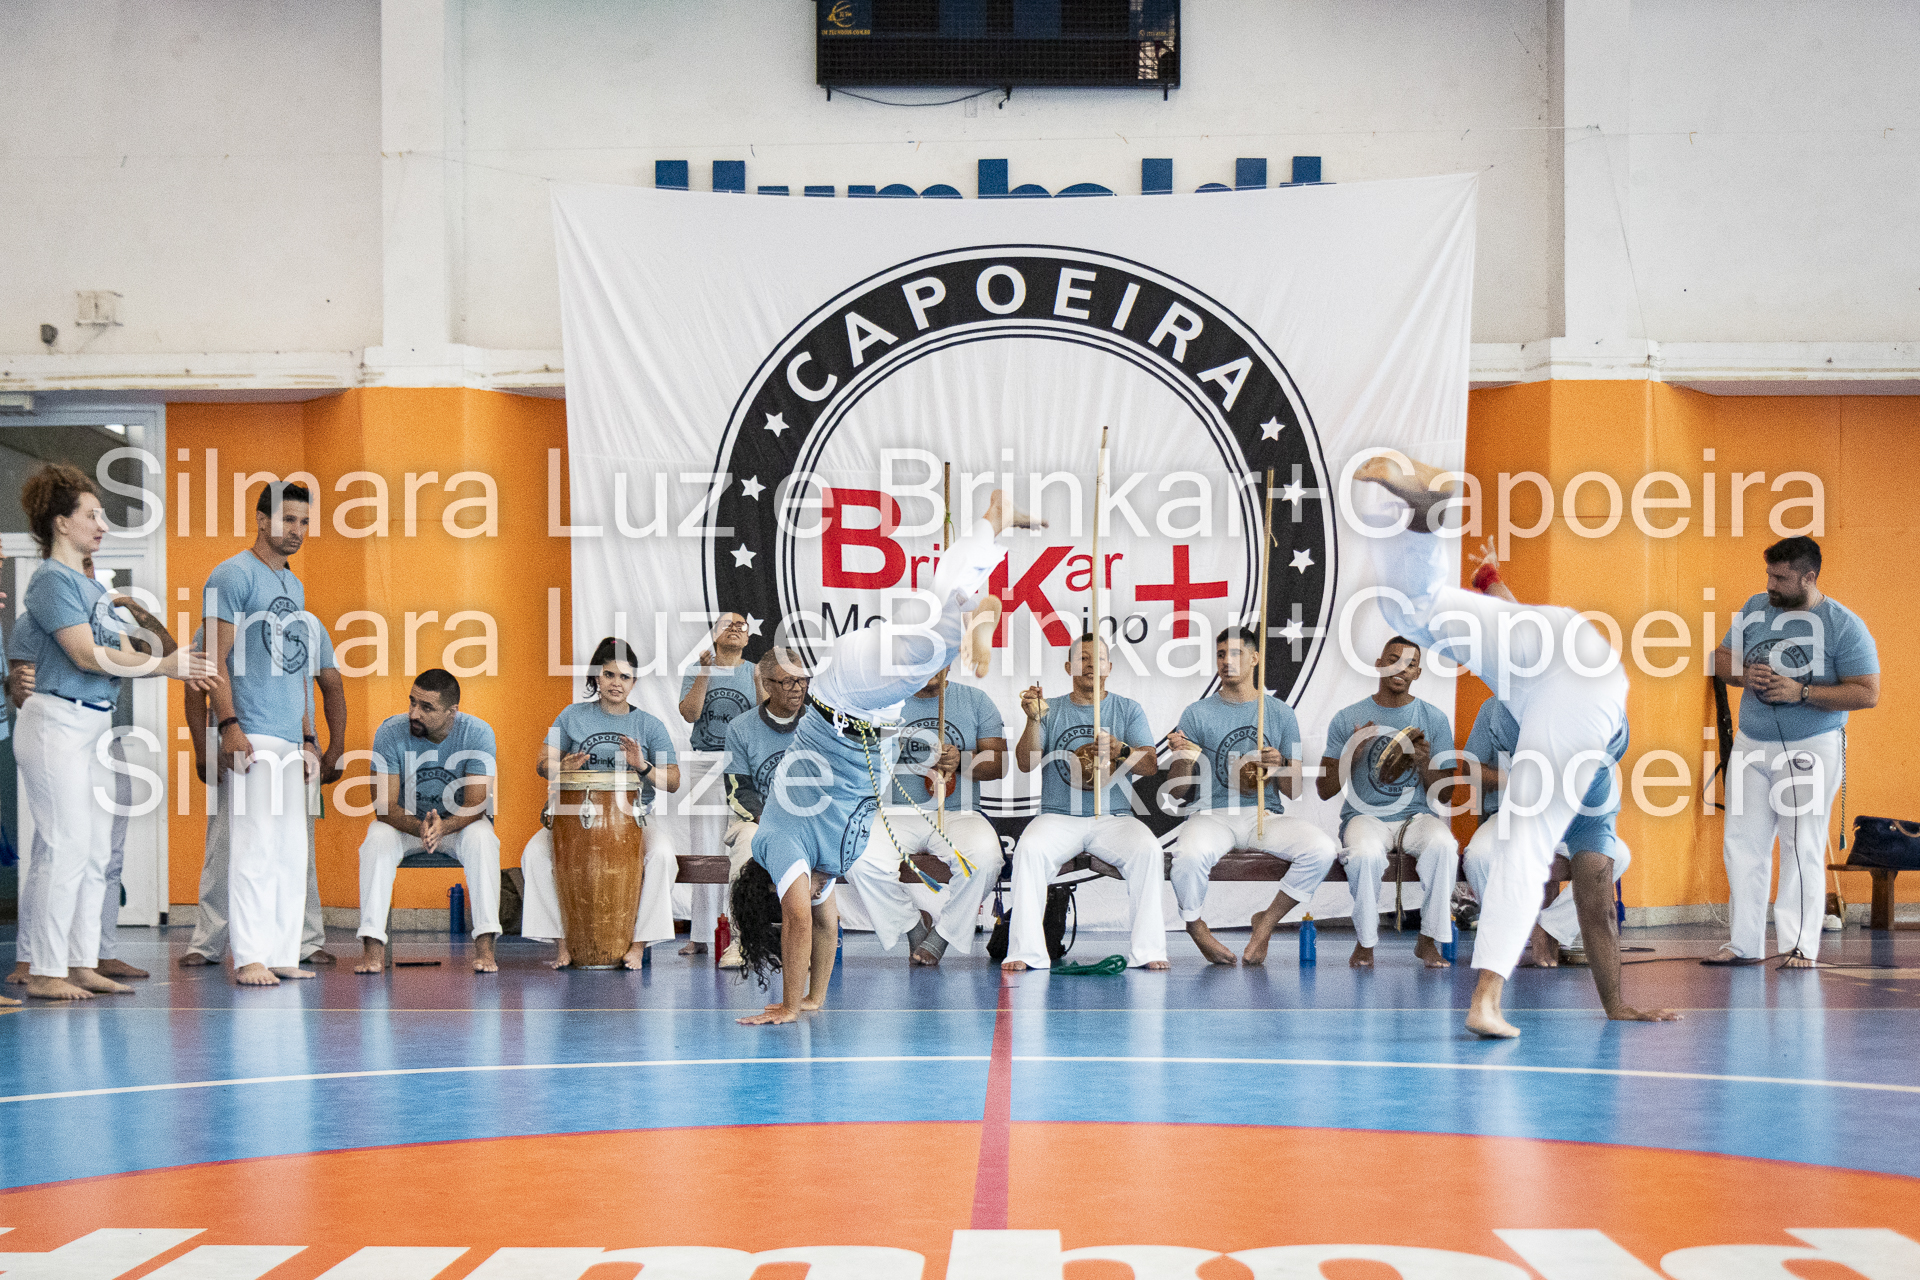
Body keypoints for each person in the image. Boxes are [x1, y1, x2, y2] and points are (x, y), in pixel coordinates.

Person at [732, 489, 1036, 1024]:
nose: (807, 898)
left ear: (772, 889)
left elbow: (799, 921)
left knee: (934, 645)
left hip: (846, 701)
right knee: (939, 603)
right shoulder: (817, 866)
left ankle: (973, 615)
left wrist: (786, 1005)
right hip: (872, 713)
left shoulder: (775, 844)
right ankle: (993, 522)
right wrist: (813, 998)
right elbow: (824, 925)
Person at [1355, 451, 1632, 1038]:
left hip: (1558, 644)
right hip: (1574, 661)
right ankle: (1485, 1002)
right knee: (1527, 842)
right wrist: (1616, 1007)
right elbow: (1598, 910)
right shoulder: (1586, 767)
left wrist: (1489, 584)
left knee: (1415, 611)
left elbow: (1599, 905)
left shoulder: (1588, 783)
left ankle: (1427, 518)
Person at [17, 464, 211, 999]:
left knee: (95, 849)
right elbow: (84, 654)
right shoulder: (51, 581)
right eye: (92, 515)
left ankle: (80, 962)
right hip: (56, 721)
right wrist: (165, 665)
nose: (102, 524)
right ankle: (45, 970)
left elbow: (122, 652)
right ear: (61, 523)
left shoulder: (90, 586)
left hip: (93, 723)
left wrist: (170, 662)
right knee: (65, 845)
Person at [1711, 536, 1879, 968]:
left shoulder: (1842, 624)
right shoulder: (1755, 608)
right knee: (1741, 844)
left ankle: (1799, 945)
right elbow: (1720, 658)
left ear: (1809, 577)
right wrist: (1743, 674)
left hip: (1811, 746)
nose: (1770, 584)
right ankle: (1743, 944)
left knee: (1800, 843)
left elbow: (1867, 693)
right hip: (1751, 743)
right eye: (1768, 574)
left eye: (1780, 578)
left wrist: (1801, 692)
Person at [1458, 693, 1673, 1024]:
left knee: (1618, 855)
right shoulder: (1499, 707)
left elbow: (1601, 912)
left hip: (1571, 822)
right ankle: (1509, 939)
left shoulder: (1597, 735)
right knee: (1477, 857)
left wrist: (1616, 1006)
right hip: (1513, 817)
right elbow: (1470, 769)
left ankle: (1549, 927)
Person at [6, 556, 164, 988]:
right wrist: (14, 687)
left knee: (101, 853)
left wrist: (140, 614)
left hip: (102, 731)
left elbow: (162, 656)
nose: (88, 572)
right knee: (55, 850)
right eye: (83, 564)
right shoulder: (37, 615)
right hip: (59, 729)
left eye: (93, 566)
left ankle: (90, 957)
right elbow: (20, 681)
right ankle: (34, 960)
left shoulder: (107, 618)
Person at [203, 482, 331, 987]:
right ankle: (250, 956)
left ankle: (280, 952)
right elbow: (212, 659)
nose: (297, 531)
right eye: (287, 520)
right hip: (250, 731)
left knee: (289, 852)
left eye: (304, 522)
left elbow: (298, 669)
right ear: (261, 520)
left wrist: (309, 736)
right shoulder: (231, 575)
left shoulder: (293, 585)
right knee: (254, 847)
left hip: (290, 737)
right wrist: (228, 725)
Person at [1165, 626, 1337, 966]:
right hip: (1212, 814)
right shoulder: (1196, 713)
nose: (1226, 661)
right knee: (1187, 856)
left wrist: (1282, 764)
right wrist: (1183, 756)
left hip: (1265, 815)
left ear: (1255, 658)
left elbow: (1294, 790)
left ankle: (1266, 922)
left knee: (1322, 849)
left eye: (1236, 653)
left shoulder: (1281, 713)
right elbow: (1178, 790)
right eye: (1220, 654)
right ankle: (1196, 926)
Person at [178, 623, 342, 970]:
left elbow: (332, 686)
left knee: (297, 849)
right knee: (224, 844)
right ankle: (208, 941)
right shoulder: (220, 622)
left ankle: (304, 941)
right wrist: (202, 749)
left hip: (297, 744)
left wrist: (333, 747)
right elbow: (195, 690)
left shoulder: (309, 625)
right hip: (236, 742)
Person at [1002, 634, 1169, 974]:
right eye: (1083, 658)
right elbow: (1026, 762)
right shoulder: (1050, 709)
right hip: (1058, 815)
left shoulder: (1127, 709)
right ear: (1068, 667)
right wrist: (1034, 719)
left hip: (1114, 817)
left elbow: (1150, 766)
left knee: (1149, 850)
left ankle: (1148, 950)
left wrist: (1121, 750)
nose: (1092, 664)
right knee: (1029, 850)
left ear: (1110, 667)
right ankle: (1026, 952)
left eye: (1099, 659)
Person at [519, 637, 680, 969]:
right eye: (609, 675)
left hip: (633, 818)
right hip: (572, 818)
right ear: (596, 676)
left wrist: (643, 766)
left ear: (634, 681)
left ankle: (638, 945)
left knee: (663, 856)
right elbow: (542, 763)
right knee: (533, 855)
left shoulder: (649, 725)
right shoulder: (571, 716)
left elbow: (674, 781)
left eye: (624, 677)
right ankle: (563, 943)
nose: (616, 683)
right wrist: (561, 766)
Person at [845, 664, 1007, 966]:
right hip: (893, 812)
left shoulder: (975, 700)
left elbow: (999, 765)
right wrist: (878, 745)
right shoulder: (883, 701)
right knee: (857, 858)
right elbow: (855, 759)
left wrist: (962, 760)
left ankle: (943, 934)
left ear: (949, 662)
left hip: (958, 813)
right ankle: (912, 925)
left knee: (985, 858)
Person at [1316, 636, 1459, 969]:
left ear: (1418, 673)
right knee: (1364, 854)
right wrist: (1353, 752)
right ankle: (1365, 942)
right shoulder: (1347, 717)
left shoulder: (1433, 718)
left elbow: (1446, 795)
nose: (1401, 668)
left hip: (1416, 817)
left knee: (1444, 846)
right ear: (1379, 664)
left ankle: (1428, 939)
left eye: (1410, 664)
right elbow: (1324, 789)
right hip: (1365, 816)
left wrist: (1424, 762)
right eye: (1393, 659)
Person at [355, 669, 502, 973]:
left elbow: (476, 803)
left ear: (452, 711)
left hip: (457, 826)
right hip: (406, 826)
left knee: (483, 838)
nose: (414, 713)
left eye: (426, 707)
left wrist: (443, 827)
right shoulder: (389, 732)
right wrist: (419, 827)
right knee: (377, 837)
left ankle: (485, 948)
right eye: (412, 702)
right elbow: (384, 807)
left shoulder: (478, 733)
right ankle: (372, 949)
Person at [716, 649, 811, 967]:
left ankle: (805, 941)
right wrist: (770, 821)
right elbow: (738, 789)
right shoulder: (740, 728)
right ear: (767, 684)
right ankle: (742, 940)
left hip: (806, 820)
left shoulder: (819, 724)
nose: (797, 688)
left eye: (802, 680)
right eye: (787, 681)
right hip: (756, 819)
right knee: (747, 843)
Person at [677, 612, 759, 956]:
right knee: (705, 848)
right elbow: (690, 714)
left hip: (745, 767)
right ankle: (701, 935)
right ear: (714, 634)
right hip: (706, 762)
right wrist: (705, 674)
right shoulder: (696, 669)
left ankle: (744, 933)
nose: (736, 628)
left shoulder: (755, 671)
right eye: (728, 624)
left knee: (743, 846)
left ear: (748, 638)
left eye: (742, 625)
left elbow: (765, 716)